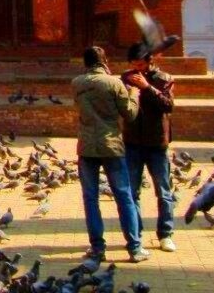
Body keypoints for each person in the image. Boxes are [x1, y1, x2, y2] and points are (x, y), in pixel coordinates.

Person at [71, 45, 149, 263]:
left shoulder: (76, 83)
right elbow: (130, 114)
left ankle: (97, 248)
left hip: (87, 145)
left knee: (90, 198)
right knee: (124, 196)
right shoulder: (114, 83)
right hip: (111, 144)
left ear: (85, 63)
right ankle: (134, 247)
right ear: (104, 60)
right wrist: (134, 93)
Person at [121, 42, 177, 252]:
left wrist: (146, 87)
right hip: (133, 141)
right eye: (134, 64)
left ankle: (166, 233)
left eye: (141, 64)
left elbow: (168, 105)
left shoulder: (164, 79)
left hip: (156, 142)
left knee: (163, 191)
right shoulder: (126, 78)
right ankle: (137, 233)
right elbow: (121, 107)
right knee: (132, 192)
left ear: (149, 61)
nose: (138, 68)